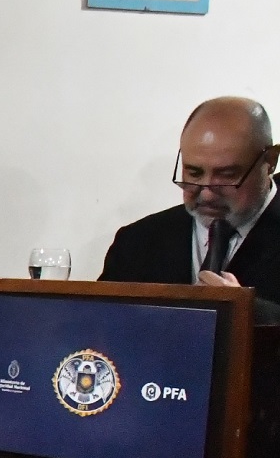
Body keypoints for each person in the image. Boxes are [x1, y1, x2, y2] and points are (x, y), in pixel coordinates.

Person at [99, 97, 280, 303]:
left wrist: (249, 310)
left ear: (270, 161)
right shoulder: (136, 242)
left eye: (227, 175)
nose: (207, 194)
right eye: (194, 173)